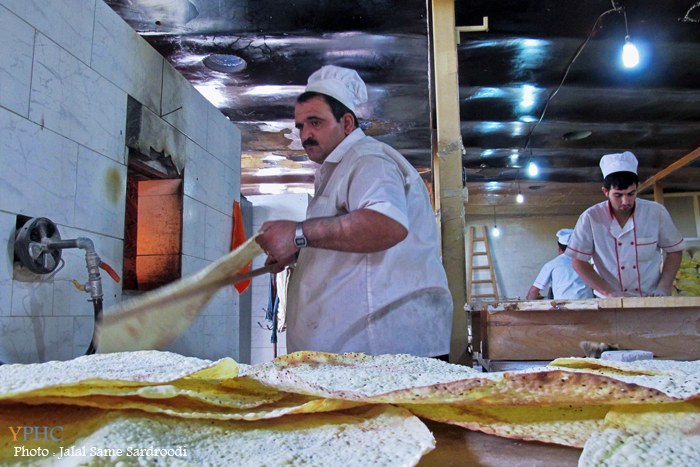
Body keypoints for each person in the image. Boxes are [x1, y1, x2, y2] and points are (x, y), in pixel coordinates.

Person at [255, 65, 453, 358]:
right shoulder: (337, 170)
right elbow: (350, 242)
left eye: (315, 122)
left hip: (385, 351)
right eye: (300, 126)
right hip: (362, 354)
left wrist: (297, 233)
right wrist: (298, 251)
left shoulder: (368, 160)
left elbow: (386, 224)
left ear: (347, 123)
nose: (305, 135)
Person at [565, 151, 685, 298]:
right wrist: (608, 292)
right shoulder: (591, 217)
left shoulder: (655, 212)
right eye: (618, 195)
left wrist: (664, 287)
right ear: (605, 192)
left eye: (631, 194)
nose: (625, 201)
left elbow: (674, 251)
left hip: (650, 298)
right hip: (609, 301)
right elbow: (578, 261)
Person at [526, 229, 594, 300]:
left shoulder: (552, 264)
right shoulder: (587, 263)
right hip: (586, 305)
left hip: (563, 308)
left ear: (558, 248)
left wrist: (527, 303)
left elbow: (533, 291)